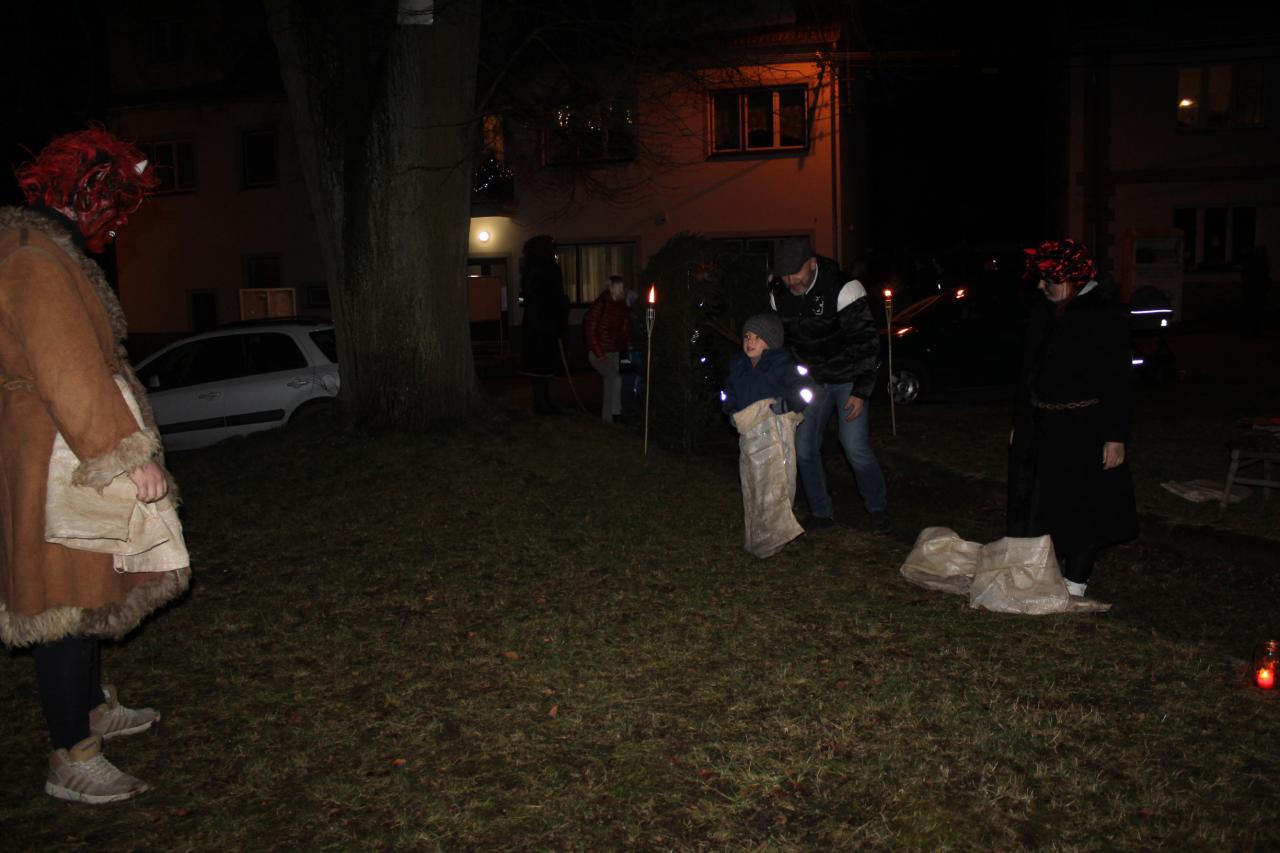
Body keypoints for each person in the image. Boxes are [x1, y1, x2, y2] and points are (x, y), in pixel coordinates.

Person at [1, 127, 190, 803]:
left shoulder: (46, 248)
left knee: (88, 591)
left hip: (63, 446)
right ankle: (71, 755)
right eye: (113, 202)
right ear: (86, 192)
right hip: (55, 453)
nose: (116, 219)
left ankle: (88, 709)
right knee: (62, 604)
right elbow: (67, 367)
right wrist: (124, 452)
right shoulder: (33, 258)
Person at [1008, 238, 1137, 598]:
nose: (1040, 286)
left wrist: (1115, 435)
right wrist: (1021, 422)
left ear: (1071, 280)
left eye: (1047, 279)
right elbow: (1029, 373)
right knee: (1038, 500)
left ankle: (1076, 579)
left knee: (1083, 503)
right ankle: (1038, 567)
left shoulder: (1104, 314)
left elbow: (1119, 379)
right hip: (1043, 425)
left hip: (1085, 427)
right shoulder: (1043, 312)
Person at [769, 237, 889, 533]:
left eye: (795, 273)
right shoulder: (778, 294)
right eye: (784, 275)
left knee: (854, 446)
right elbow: (782, 343)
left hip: (849, 377)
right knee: (804, 447)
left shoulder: (844, 288)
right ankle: (821, 512)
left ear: (812, 263)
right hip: (813, 380)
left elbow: (867, 344)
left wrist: (861, 391)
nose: (790, 281)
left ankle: (878, 508)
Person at [518, 234, 570, 414]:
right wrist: (561, 307)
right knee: (542, 364)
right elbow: (549, 297)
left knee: (540, 365)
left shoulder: (530, 269)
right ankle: (542, 402)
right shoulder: (547, 269)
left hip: (536, 324)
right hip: (544, 325)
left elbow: (529, 297)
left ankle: (542, 400)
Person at [721, 313, 811, 416]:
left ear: (771, 341)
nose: (750, 341)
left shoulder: (781, 364)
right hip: (748, 422)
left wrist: (785, 406)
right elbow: (729, 392)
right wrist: (732, 411)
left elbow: (803, 389)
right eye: (747, 336)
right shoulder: (738, 366)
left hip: (776, 421)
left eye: (757, 337)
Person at [583, 275, 632, 423]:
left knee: (610, 384)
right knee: (616, 379)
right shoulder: (600, 304)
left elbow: (624, 329)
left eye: (622, 287)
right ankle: (616, 415)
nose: (622, 290)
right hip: (599, 353)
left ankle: (607, 421)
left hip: (614, 352)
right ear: (611, 287)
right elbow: (590, 331)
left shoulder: (622, 305)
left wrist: (628, 345)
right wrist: (601, 355)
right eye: (619, 287)